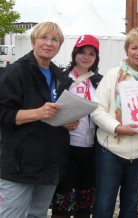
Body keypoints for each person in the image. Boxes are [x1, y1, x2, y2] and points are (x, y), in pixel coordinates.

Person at [0, 22, 79, 218]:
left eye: (54, 40)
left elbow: (57, 112)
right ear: (33, 41)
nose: (48, 43)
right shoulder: (16, 72)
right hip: (20, 165)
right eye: (44, 37)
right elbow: (4, 115)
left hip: (50, 162)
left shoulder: (59, 75)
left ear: (60, 45)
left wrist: (68, 121)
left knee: (38, 214)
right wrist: (38, 113)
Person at [90, 27, 138, 218]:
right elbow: (96, 110)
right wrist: (117, 128)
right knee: (104, 204)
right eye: (134, 48)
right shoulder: (113, 75)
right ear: (127, 50)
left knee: (131, 205)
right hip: (111, 150)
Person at [51, 35, 103, 218]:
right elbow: (48, 109)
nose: (86, 57)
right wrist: (62, 122)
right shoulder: (60, 79)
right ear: (75, 53)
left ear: (96, 57)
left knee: (84, 206)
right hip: (67, 148)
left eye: (91, 53)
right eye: (82, 52)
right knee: (63, 206)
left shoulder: (100, 81)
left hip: (91, 149)